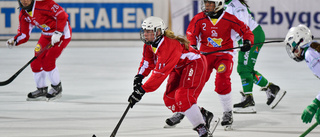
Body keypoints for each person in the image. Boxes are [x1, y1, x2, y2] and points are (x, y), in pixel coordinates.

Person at [164, 0, 254, 130]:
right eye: (206, 3)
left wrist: (247, 41)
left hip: (224, 55)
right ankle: (183, 109)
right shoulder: (199, 18)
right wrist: (192, 45)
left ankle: (227, 112)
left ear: (218, 5)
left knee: (222, 80)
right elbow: (191, 33)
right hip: (204, 56)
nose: (207, 6)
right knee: (192, 82)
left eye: (210, 4)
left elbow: (246, 31)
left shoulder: (230, 18)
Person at [127, 16, 214, 137]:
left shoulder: (168, 46)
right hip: (178, 67)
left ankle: (201, 128)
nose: (146, 35)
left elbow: (159, 74)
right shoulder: (149, 44)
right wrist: (139, 77)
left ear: (158, 32)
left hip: (194, 64)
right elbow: (147, 62)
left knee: (183, 96)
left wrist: (141, 91)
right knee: (169, 99)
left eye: (149, 31)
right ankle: (201, 113)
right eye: (145, 31)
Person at [224, 0, 285, 113]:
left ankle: (249, 101)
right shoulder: (227, 4)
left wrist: (245, 40)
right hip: (250, 36)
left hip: (251, 36)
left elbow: (243, 24)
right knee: (245, 68)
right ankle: (271, 88)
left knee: (244, 68)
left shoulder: (234, 4)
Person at [6, 0, 72, 101]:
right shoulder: (24, 14)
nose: (24, 1)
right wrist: (14, 41)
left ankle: (56, 87)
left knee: (48, 62)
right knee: (35, 63)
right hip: (46, 36)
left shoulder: (45, 4)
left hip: (62, 35)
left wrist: (58, 32)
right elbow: (24, 34)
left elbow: (62, 15)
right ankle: (42, 89)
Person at [284, 24, 320, 125]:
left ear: (301, 41)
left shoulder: (310, 55)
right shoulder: (315, 47)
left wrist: (315, 104)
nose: (293, 52)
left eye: (294, 49)